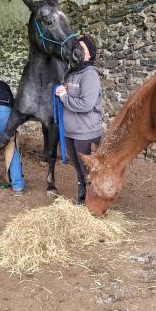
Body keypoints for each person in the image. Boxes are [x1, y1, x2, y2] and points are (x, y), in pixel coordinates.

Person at [55, 36, 102, 205]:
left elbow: (86, 104)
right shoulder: (71, 73)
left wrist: (65, 98)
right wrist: (61, 90)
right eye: (77, 47)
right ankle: (82, 199)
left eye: (83, 48)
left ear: (90, 54)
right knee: (78, 169)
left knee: (89, 170)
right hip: (70, 131)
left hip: (86, 132)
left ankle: (93, 202)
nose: (78, 51)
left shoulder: (90, 75)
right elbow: (65, 95)